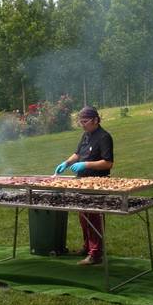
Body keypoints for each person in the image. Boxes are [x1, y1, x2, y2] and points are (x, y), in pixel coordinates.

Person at [54, 105, 114, 265]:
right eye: (80, 121)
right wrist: (66, 163)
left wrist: (86, 165)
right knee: (83, 216)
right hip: (81, 182)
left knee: (94, 217)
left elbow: (108, 163)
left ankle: (95, 254)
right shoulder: (86, 135)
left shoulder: (104, 137)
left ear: (95, 120)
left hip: (97, 183)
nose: (82, 124)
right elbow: (78, 154)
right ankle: (87, 247)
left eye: (85, 121)